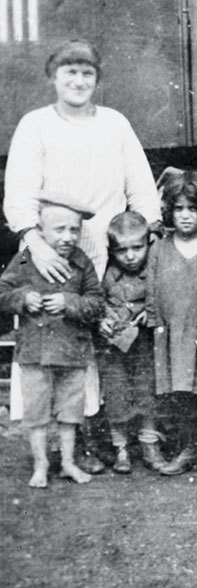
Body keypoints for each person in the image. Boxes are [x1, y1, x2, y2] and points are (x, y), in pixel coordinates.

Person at [3, 39, 162, 470]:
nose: (78, 81)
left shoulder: (114, 124)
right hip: (50, 255)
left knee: (110, 349)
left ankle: (112, 438)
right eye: (69, 72)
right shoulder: (35, 125)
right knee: (56, 346)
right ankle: (67, 443)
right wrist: (36, 244)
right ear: (52, 77)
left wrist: (134, 248)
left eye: (87, 73)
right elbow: (18, 196)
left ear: (98, 79)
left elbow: (143, 194)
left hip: (108, 254)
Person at [0, 192, 104, 488]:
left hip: (72, 353)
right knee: (36, 414)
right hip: (35, 354)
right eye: (60, 229)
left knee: (70, 414)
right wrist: (22, 298)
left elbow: (96, 303)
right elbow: (1, 295)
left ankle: (68, 463)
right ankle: (41, 464)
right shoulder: (24, 260)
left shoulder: (82, 264)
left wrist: (69, 302)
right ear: (40, 231)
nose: (68, 236)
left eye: (75, 229)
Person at [147, 171, 197, 476]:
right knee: (182, 395)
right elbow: (152, 292)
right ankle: (189, 446)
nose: (185, 216)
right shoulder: (159, 249)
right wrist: (155, 324)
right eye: (179, 208)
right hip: (174, 336)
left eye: (192, 209)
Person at [97, 212, 163, 474]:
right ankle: (121, 447)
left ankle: (149, 444)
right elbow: (96, 300)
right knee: (116, 394)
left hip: (145, 346)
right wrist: (102, 318)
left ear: (148, 243)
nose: (131, 256)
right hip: (114, 348)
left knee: (147, 393)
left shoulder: (155, 272)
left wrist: (152, 310)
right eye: (122, 250)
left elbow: (163, 296)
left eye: (137, 248)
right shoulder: (108, 274)